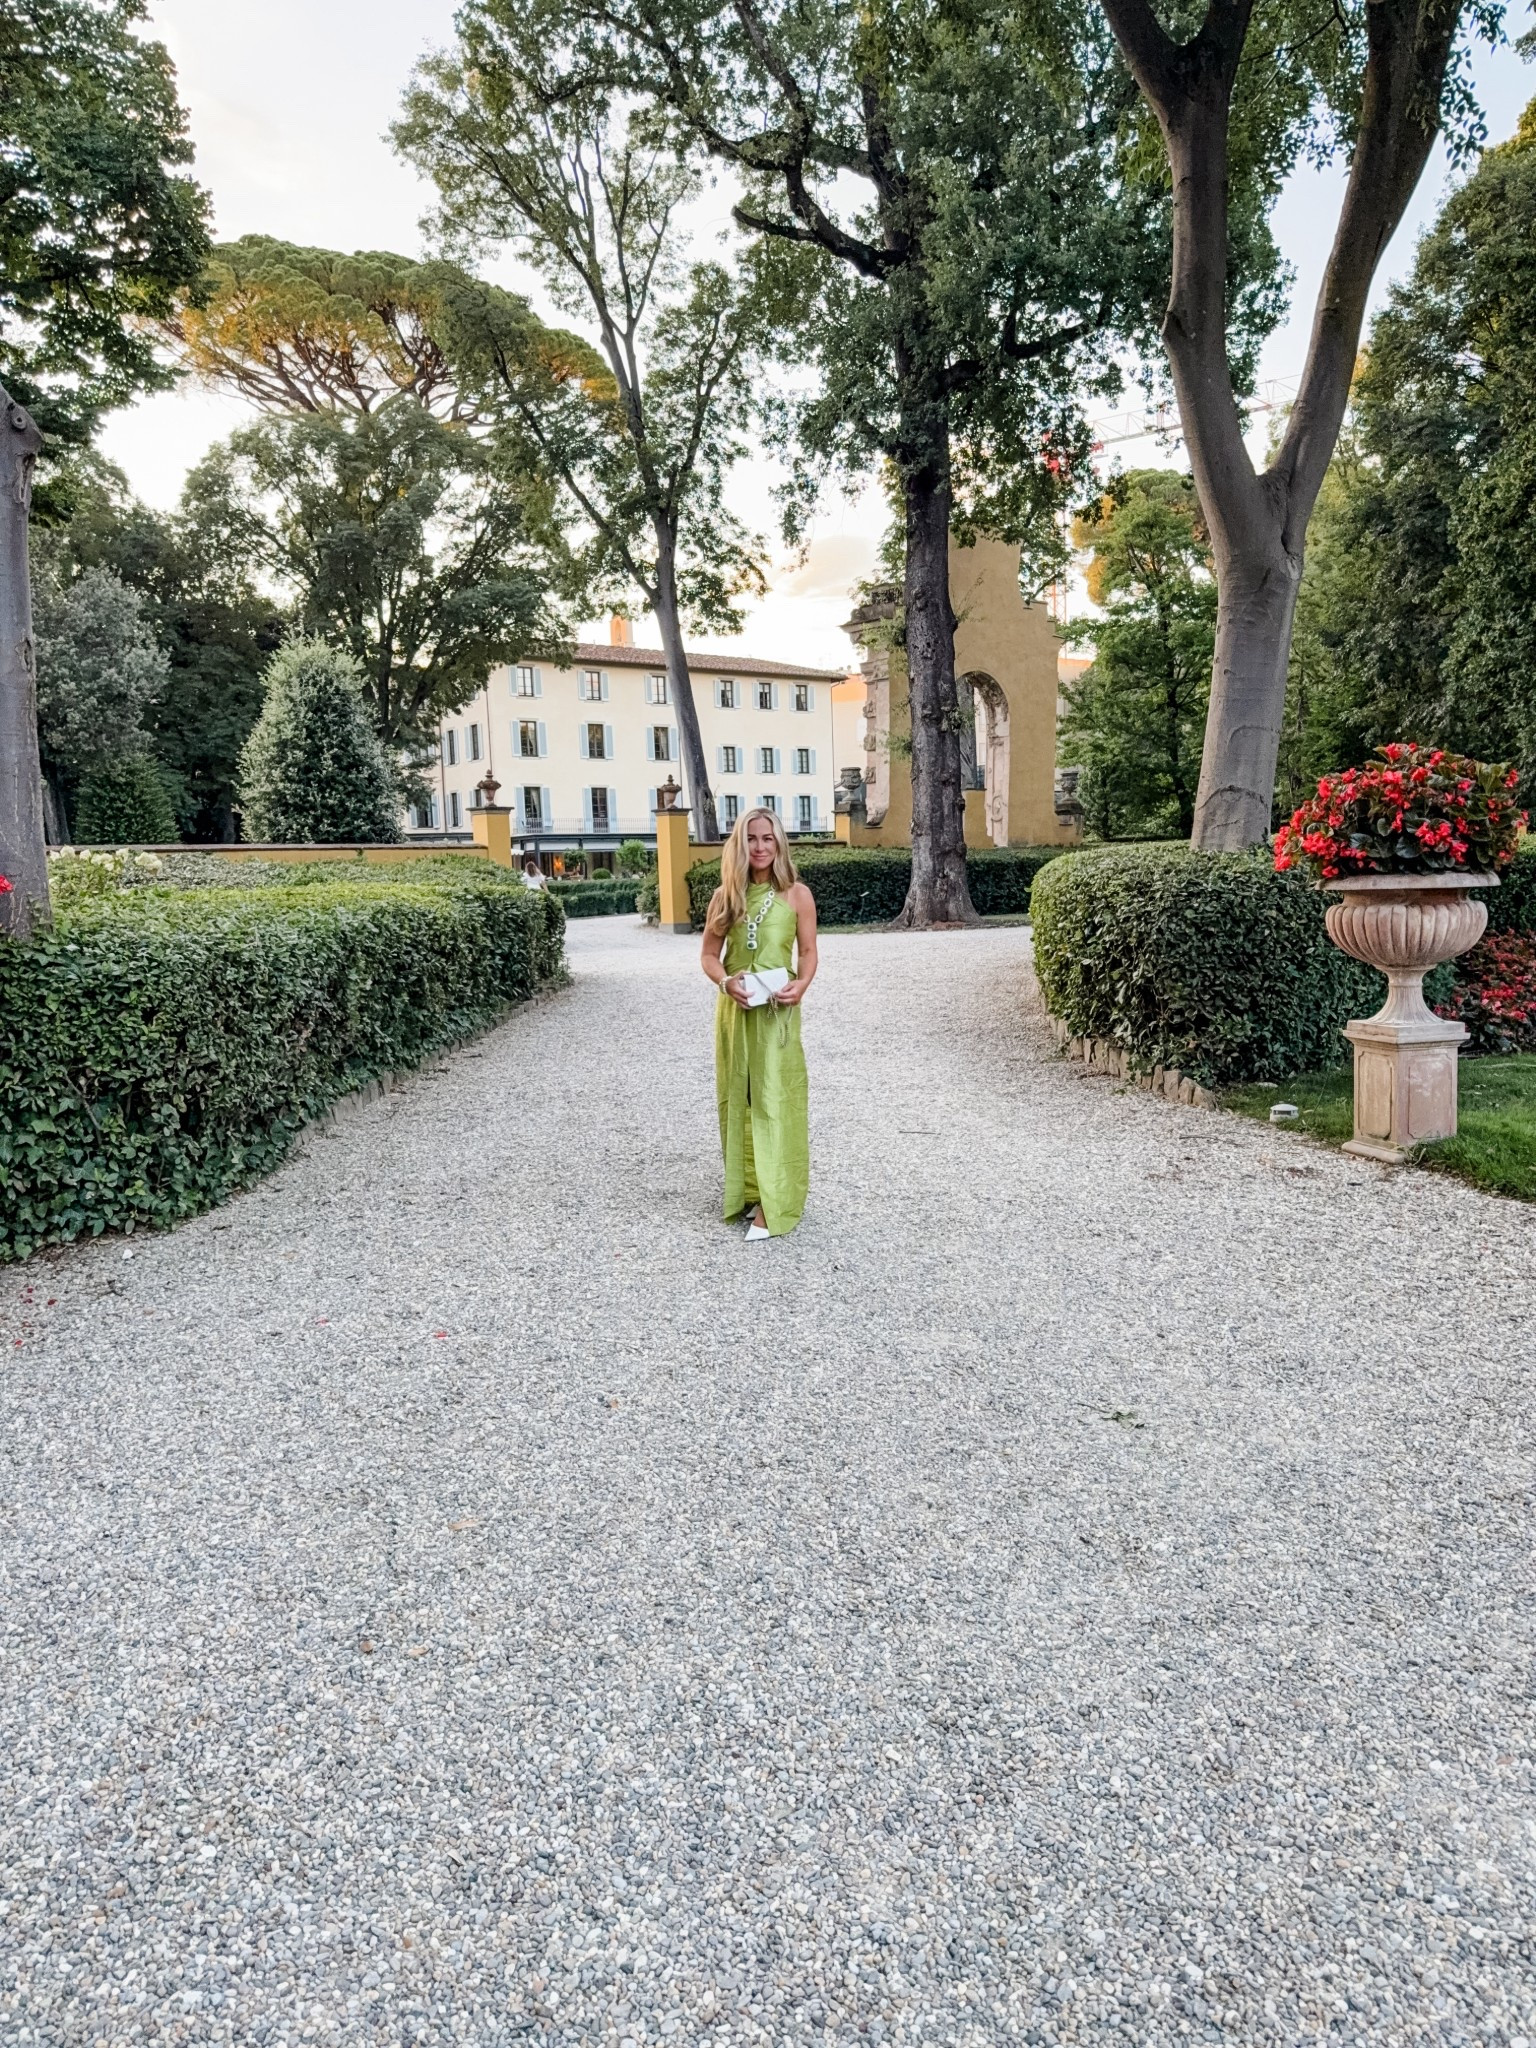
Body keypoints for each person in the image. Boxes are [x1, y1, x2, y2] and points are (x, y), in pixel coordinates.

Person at [700, 807, 817, 1238]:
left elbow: (806, 953)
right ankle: (748, 1188)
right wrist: (725, 980)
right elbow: (709, 957)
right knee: (740, 1097)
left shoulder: (798, 895)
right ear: (740, 843)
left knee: (776, 1099)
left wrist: (801, 985)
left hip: (777, 1010)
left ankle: (777, 1199)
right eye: (752, 839)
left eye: (768, 838)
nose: (761, 847)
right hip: (734, 1011)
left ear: (780, 842)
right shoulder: (725, 897)